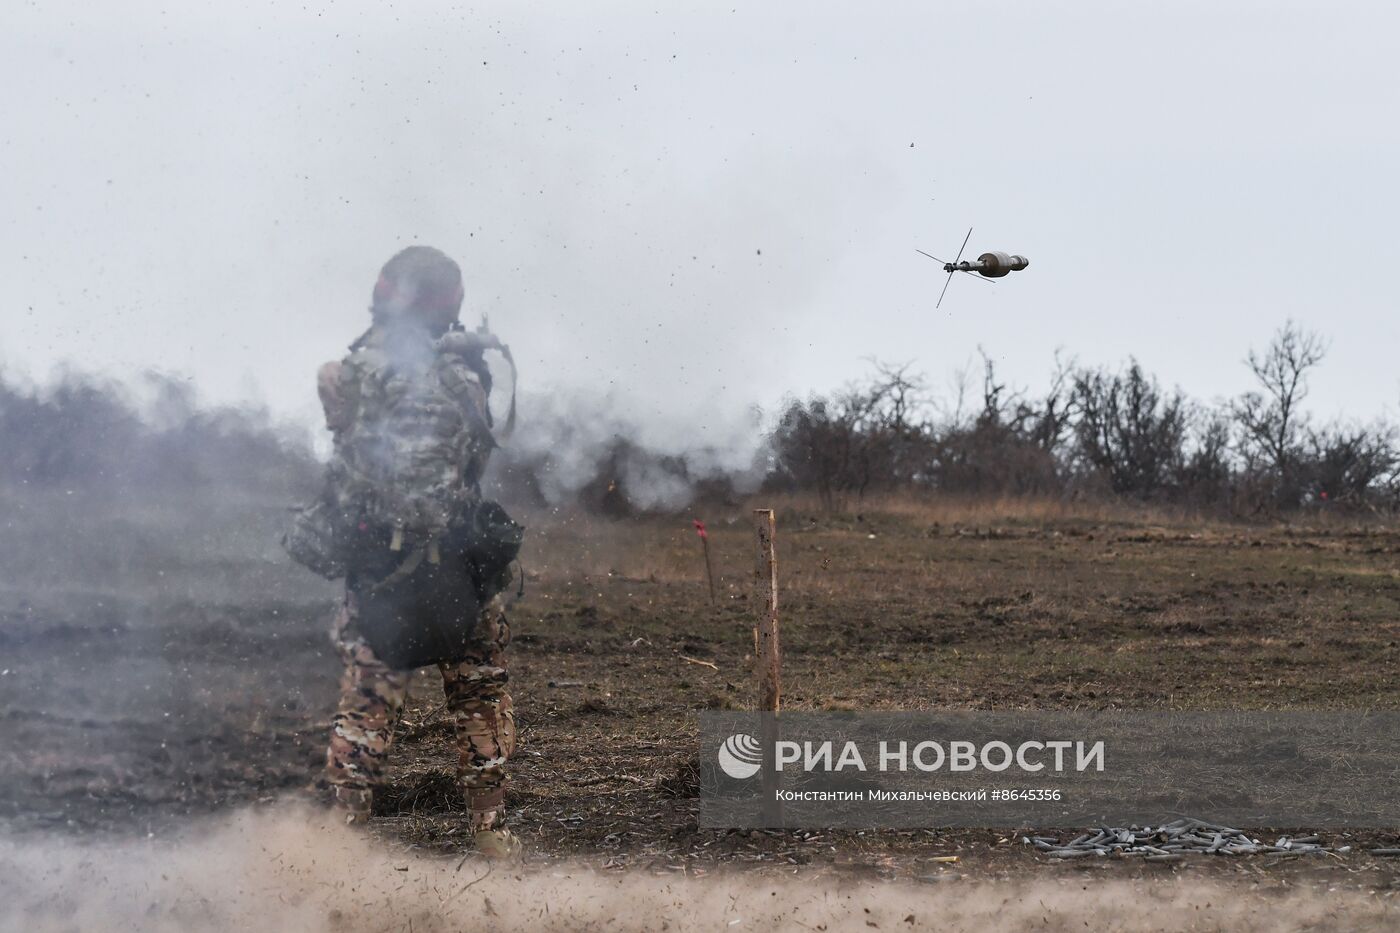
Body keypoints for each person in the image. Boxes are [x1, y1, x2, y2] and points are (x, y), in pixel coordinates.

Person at [286, 245, 522, 858]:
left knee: (368, 704)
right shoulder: (466, 376)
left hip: (381, 567)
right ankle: (491, 833)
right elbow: (477, 450)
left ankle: (342, 838)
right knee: (480, 693)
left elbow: (347, 442)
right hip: (458, 567)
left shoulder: (348, 375)